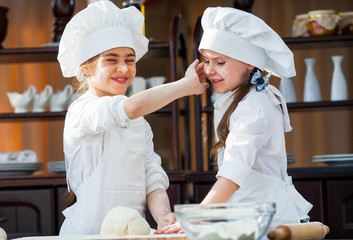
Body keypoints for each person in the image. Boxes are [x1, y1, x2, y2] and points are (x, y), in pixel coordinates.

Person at [157, 7, 313, 234]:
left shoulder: (252, 107)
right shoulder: (241, 99)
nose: (210, 70)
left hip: (267, 223)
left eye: (220, 62)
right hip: (248, 217)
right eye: (206, 60)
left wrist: (195, 219)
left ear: (250, 63)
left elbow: (233, 174)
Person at [57, 0, 208, 235]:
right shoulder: (81, 111)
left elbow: (152, 178)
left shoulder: (140, 125)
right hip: (86, 234)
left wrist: (164, 217)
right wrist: (185, 85)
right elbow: (131, 107)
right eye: (111, 59)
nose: (124, 69)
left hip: (132, 234)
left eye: (130, 59)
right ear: (86, 67)